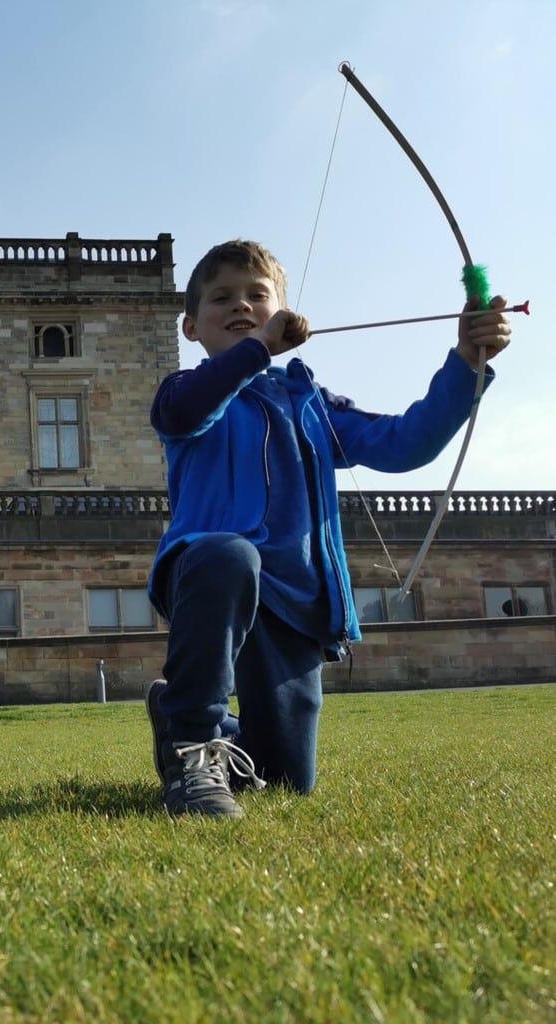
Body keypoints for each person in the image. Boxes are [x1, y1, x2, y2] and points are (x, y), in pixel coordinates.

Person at [145, 239, 512, 818]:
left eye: (257, 295)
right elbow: (188, 411)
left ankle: (180, 716)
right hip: (209, 574)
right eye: (222, 298)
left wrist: (467, 360)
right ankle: (194, 746)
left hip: (296, 596)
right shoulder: (182, 392)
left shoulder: (311, 403)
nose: (241, 305)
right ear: (191, 327)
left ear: (283, 310)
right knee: (230, 555)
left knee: (288, 778)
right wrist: (259, 351)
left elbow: (403, 442)